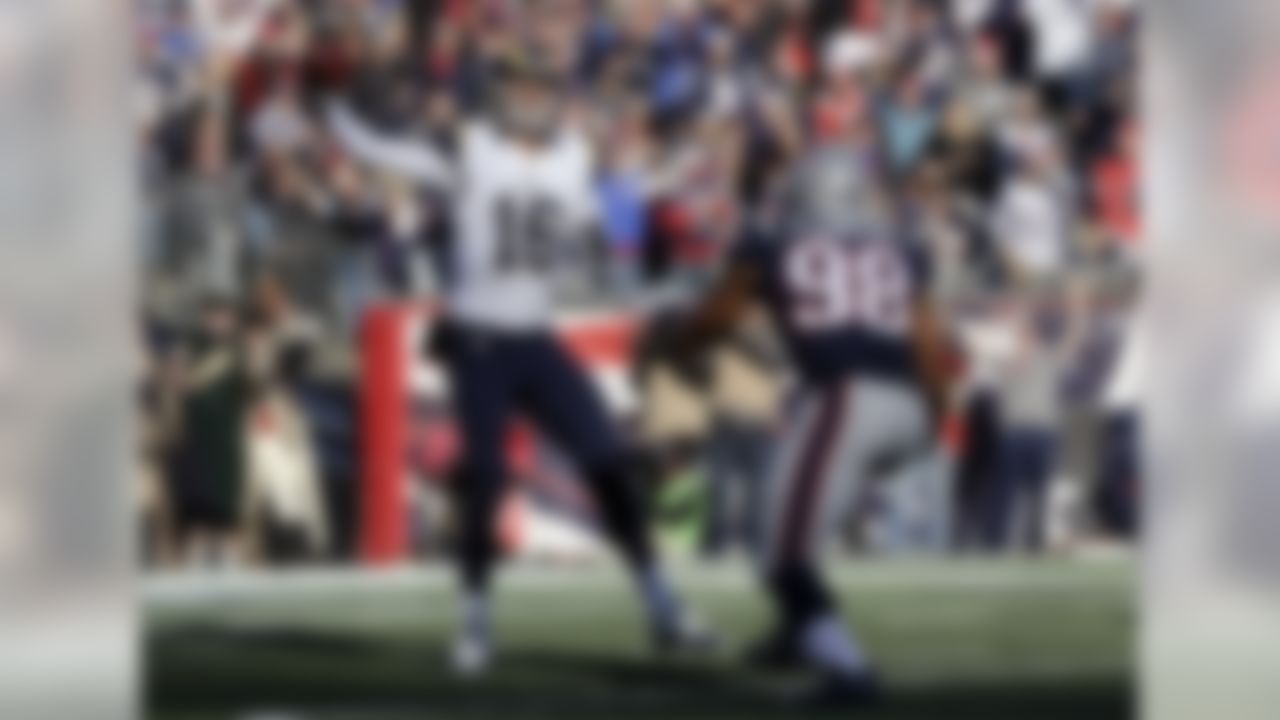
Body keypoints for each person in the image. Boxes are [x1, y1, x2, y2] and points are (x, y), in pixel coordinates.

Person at [328, 47, 714, 676]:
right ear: (502, 92)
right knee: (485, 479)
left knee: (610, 462)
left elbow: (601, 239)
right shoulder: (471, 148)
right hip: (480, 341)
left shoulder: (572, 158)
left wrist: (644, 247)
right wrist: (338, 110)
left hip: (536, 337)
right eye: (522, 87)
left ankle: (663, 606)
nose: (532, 100)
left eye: (541, 88)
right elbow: (387, 151)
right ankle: (475, 622)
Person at [670, 147, 957, 705]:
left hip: (846, 398)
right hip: (903, 403)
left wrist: (682, 341)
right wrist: (934, 420)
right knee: (783, 517)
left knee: (778, 551)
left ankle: (848, 671)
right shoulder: (901, 246)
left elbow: (719, 313)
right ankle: (796, 636)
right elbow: (931, 343)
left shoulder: (775, 243)